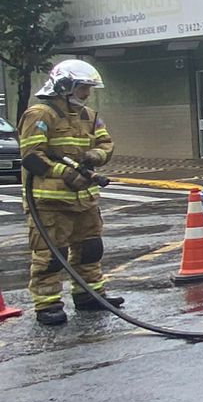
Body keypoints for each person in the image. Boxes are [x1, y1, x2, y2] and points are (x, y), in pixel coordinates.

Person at [18, 60, 124, 326]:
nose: (87, 94)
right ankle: (48, 304)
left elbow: (106, 143)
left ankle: (90, 296)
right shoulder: (40, 114)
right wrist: (64, 173)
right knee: (51, 255)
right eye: (82, 88)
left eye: (88, 88)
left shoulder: (89, 115)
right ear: (64, 86)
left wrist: (93, 157)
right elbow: (31, 156)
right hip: (50, 202)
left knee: (90, 249)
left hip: (84, 200)